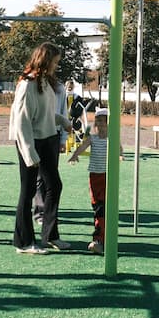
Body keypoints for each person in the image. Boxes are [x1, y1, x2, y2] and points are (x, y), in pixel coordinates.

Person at [9, 42, 71, 254]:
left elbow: (43, 113)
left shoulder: (46, 82)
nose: (56, 66)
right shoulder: (27, 84)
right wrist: (29, 152)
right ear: (45, 61)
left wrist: (62, 120)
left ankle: (50, 235)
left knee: (55, 185)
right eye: (54, 62)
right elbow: (22, 121)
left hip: (47, 139)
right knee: (27, 193)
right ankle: (23, 242)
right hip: (31, 142)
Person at [67, 107, 123, 255]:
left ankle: (99, 240)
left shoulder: (112, 138)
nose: (100, 126)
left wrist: (120, 156)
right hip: (94, 177)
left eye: (103, 123)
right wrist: (75, 155)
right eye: (98, 123)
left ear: (108, 124)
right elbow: (83, 146)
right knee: (97, 206)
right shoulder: (93, 138)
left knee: (103, 208)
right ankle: (100, 239)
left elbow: (119, 148)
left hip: (107, 176)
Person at [33, 78, 67, 227]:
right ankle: (40, 211)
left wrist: (63, 139)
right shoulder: (37, 85)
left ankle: (51, 213)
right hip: (40, 133)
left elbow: (63, 111)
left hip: (55, 133)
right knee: (40, 176)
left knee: (52, 177)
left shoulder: (60, 88)